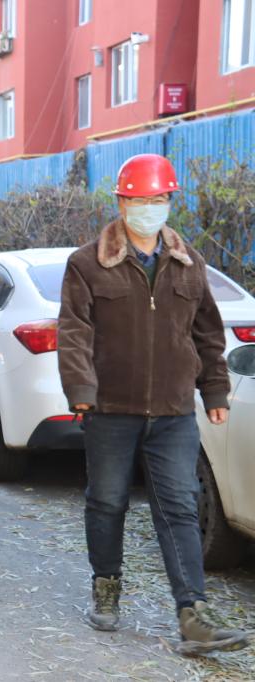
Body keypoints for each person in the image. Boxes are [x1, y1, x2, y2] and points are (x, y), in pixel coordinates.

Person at [58, 153, 250, 655]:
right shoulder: (86, 263)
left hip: (173, 411)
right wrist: (81, 391)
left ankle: (193, 614)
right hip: (109, 410)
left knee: (179, 507)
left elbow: (208, 333)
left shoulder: (189, 262)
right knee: (107, 501)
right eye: (140, 200)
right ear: (122, 203)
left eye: (159, 199)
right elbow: (74, 333)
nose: (150, 207)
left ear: (169, 202)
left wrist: (214, 390)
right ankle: (106, 585)